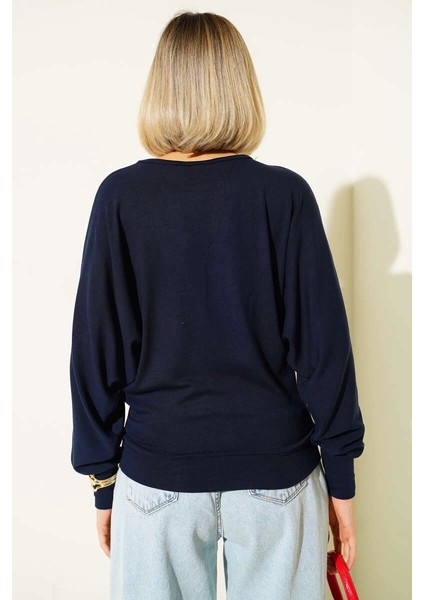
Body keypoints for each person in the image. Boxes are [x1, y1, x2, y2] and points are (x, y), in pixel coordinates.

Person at [69, 10, 366, 600]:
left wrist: (103, 481)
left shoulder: (121, 197)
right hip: (277, 476)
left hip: (158, 480)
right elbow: (324, 351)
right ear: (241, 87)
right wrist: (342, 482)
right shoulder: (284, 194)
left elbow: (95, 352)